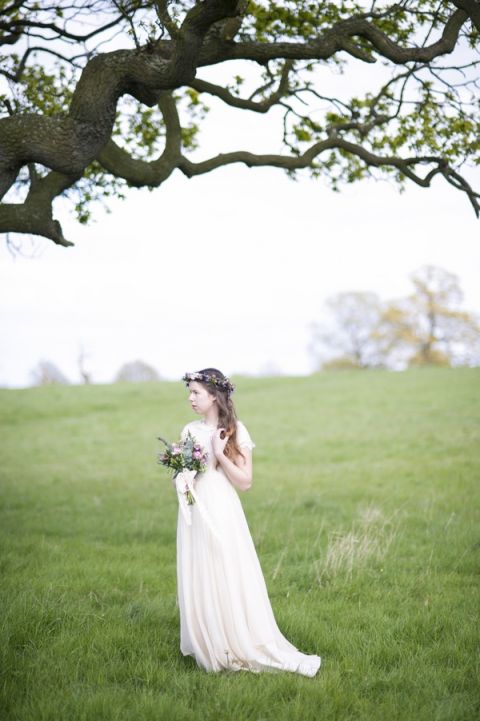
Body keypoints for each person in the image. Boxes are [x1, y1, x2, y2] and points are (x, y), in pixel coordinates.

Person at [175, 367, 322, 677]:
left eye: (195, 392)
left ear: (214, 396)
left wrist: (219, 453)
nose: (190, 398)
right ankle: (209, 643)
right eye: (189, 392)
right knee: (200, 567)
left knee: (225, 567)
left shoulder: (235, 430)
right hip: (194, 508)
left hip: (221, 507)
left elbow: (245, 482)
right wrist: (181, 478)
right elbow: (185, 470)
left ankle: (237, 638)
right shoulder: (189, 430)